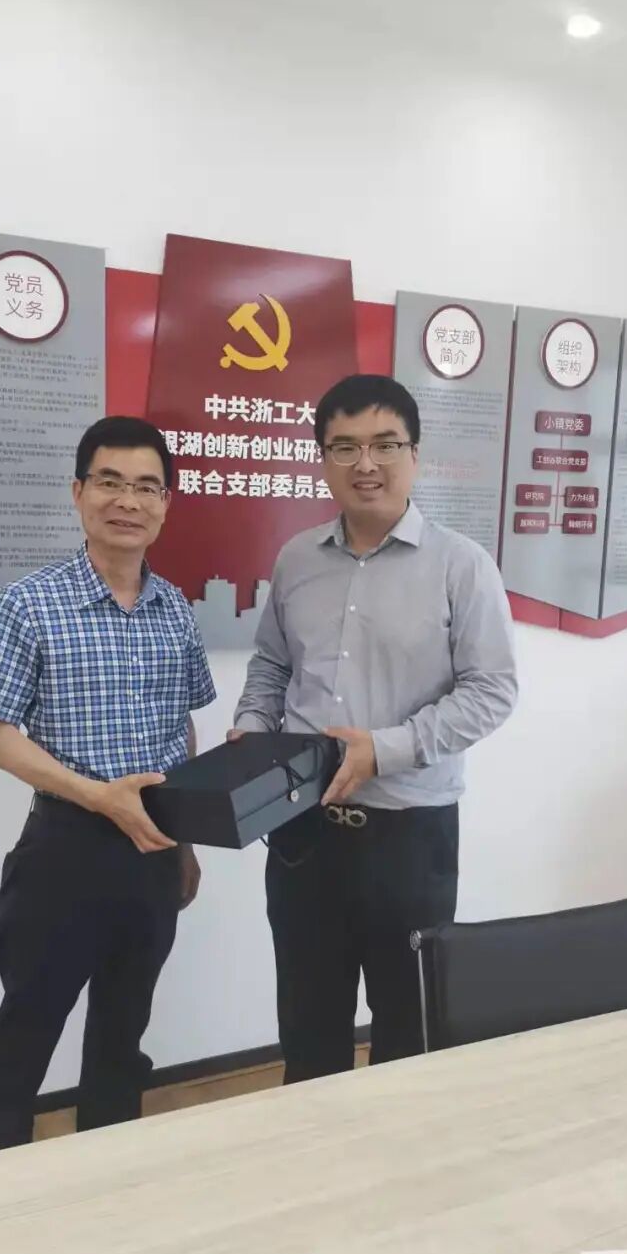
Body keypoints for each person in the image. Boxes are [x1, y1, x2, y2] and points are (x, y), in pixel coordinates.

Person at [232, 374, 517, 1082]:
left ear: (414, 454)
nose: (366, 463)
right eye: (345, 446)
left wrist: (383, 750)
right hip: (302, 831)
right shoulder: (297, 559)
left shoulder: (462, 566)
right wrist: (251, 728)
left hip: (409, 837)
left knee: (410, 1029)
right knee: (308, 1029)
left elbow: (492, 690)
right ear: (323, 458)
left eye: (385, 444)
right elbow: (271, 663)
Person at [0, 415, 215, 1155]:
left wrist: (187, 843)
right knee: (27, 1029)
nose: (127, 501)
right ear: (79, 492)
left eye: (146, 487)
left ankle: (106, 1178)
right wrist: (98, 795)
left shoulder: (175, 610)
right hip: (64, 850)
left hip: (155, 848)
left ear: (165, 503)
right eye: (110, 482)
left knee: (122, 1032)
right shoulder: (29, 602)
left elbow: (181, 728)